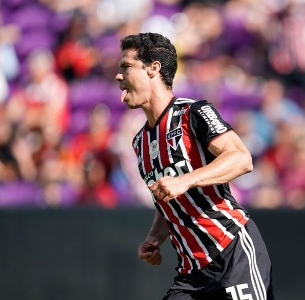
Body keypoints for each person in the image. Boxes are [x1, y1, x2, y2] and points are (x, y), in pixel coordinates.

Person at [115, 32, 274, 300]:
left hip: (232, 253)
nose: (118, 76)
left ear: (153, 68)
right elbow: (169, 201)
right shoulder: (140, 142)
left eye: (126, 67)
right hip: (191, 275)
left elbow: (241, 159)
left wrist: (186, 180)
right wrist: (155, 237)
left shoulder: (194, 113)